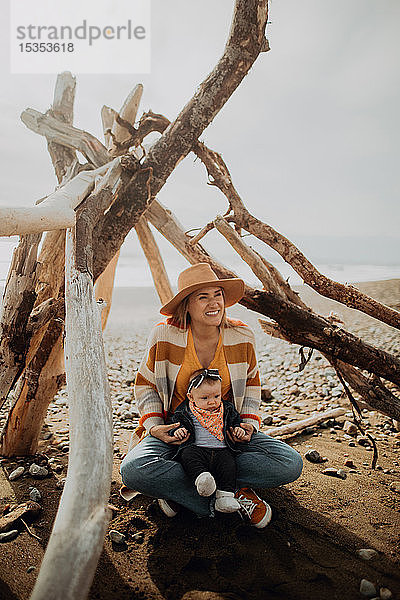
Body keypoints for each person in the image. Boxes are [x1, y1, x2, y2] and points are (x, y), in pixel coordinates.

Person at [120, 263, 303, 528]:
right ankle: (225, 497)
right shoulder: (164, 335)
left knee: (290, 463)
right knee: (133, 470)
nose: (214, 302)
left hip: (227, 435)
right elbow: (145, 384)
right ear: (187, 305)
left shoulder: (241, 335)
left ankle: (183, 490)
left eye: (217, 294)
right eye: (202, 297)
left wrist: (248, 425)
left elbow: (252, 385)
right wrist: (156, 428)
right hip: (177, 434)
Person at [168, 368, 248, 515]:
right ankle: (202, 479)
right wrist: (177, 431)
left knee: (229, 465)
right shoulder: (185, 410)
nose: (212, 402)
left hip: (222, 450)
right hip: (197, 448)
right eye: (204, 398)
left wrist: (239, 429)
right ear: (191, 397)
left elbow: (236, 421)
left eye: (217, 396)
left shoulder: (226, 409)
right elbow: (176, 423)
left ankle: (224, 496)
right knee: (188, 456)